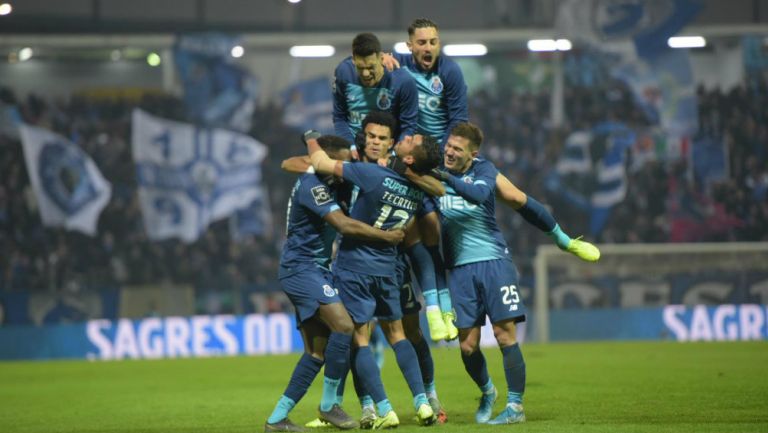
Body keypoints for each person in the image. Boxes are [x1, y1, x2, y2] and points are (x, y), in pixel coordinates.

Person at [432, 123, 598, 425]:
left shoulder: (483, 170)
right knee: (467, 346)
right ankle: (487, 391)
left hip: (494, 262)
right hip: (457, 270)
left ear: (473, 153)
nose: (450, 152)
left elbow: (484, 196)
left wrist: (560, 238)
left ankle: (516, 407)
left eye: (458, 148)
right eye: (449, 145)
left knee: (503, 334)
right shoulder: (434, 174)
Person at [264, 135, 405, 432]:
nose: (339, 167)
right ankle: (329, 405)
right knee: (343, 325)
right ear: (323, 161)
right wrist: (386, 237)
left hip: (316, 269)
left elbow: (292, 162)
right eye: (335, 162)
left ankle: (277, 418)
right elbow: (343, 225)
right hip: (301, 269)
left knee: (316, 351)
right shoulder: (312, 186)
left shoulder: (327, 179)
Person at [305, 129, 442, 429]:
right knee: (398, 334)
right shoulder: (418, 189)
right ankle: (422, 403)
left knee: (360, 339)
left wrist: (311, 138)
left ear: (407, 157)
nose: (405, 136)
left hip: (355, 266)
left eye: (410, 141)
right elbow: (436, 187)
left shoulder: (371, 175)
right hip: (387, 267)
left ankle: (385, 408)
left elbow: (320, 161)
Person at [333, 32, 418, 150]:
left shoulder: (403, 81)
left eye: (370, 67)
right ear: (353, 60)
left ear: (381, 57)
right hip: (352, 149)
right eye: (360, 68)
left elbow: (408, 126)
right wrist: (350, 147)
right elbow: (339, 117)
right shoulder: (344, 73)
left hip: (387, 153)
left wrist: (393, 156)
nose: (365, 74)